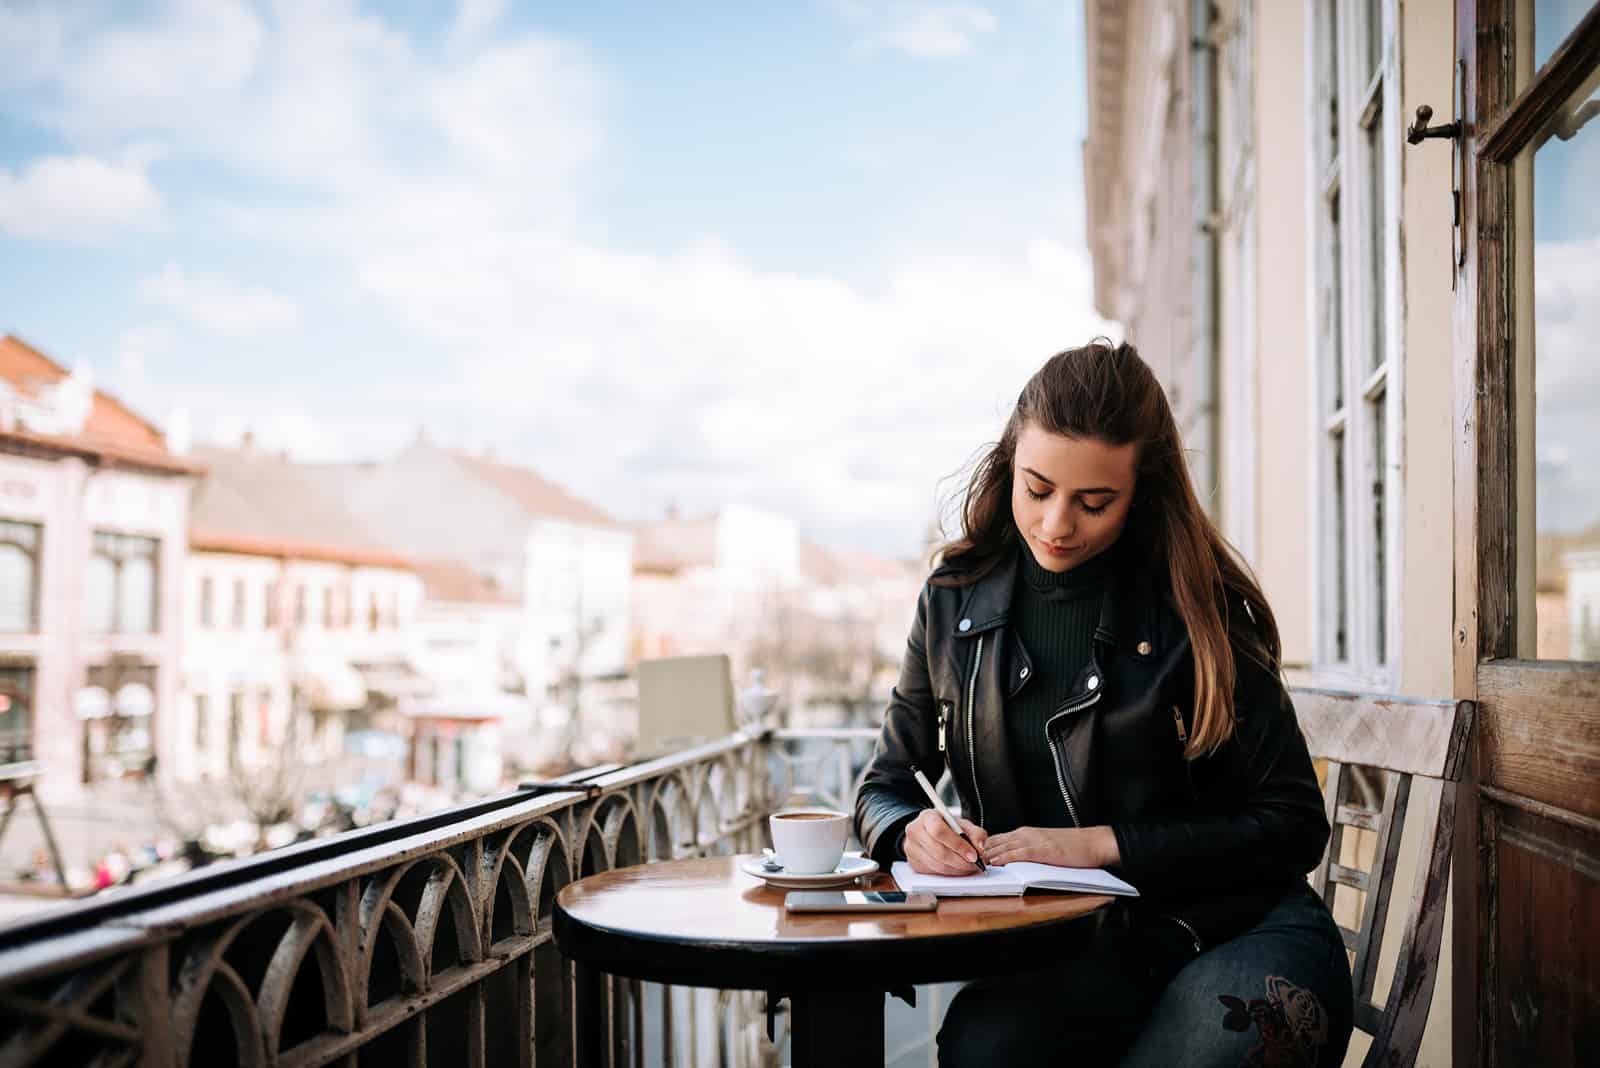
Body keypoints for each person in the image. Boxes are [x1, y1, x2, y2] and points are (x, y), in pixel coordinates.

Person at [855, 340, 1353, 1067]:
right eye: (1037, 488)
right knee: (981, 1048)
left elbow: (1293, 825)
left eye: (1094, 502)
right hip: (1092, 951)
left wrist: (1102, 844)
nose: (1058, 525)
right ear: (1008, 467)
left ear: (1141, 493)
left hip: (1243, 928)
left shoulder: (1200, 610)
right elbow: (884, 788)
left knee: (1211, 1043)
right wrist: (910, 832)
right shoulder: (952, 601)